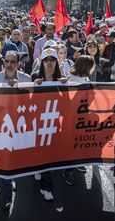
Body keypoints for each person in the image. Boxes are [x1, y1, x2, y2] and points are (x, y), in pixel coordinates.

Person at [32, 48, 67, 200]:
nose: (50, 62)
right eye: (46, 59)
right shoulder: (35, 77)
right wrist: (34, 86)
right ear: (42, 62)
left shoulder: (62, 79)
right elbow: (27, 102)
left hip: (54, 125)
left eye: (52, 59)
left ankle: (45, 184)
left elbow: (68, 104)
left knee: (49, 156)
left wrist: (66, 87)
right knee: (40, 155)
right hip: (38, 124)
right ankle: (43, 181)